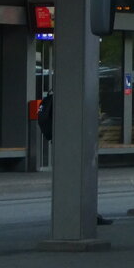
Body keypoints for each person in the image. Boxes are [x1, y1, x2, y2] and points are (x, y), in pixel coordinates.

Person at [35, 93, 112, 225]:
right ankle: (83, 215)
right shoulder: (73, 102)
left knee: (71, 179)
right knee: (81, 179)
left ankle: (76, 214)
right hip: (74, 145)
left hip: (63, 143)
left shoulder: (57, 100)